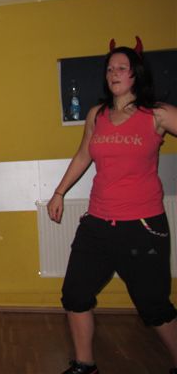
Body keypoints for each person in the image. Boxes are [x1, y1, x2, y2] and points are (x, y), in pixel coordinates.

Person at [47, 37, 177, 374]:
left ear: (136, 74)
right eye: (109, 69)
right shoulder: (97, 115)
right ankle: (85, 365)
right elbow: (83, 155)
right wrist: (59, 192)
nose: (113, 73)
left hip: (142, 226)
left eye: (122, 67)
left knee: (153, 306)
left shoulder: (157, 114)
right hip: (98, 223)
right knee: (75, 295)